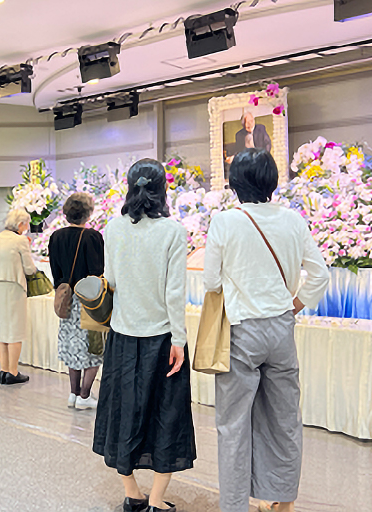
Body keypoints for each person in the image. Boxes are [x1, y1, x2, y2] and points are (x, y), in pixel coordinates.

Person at [203, 149, 329, 512]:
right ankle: (283, 502)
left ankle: (234, 506)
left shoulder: (225, 221)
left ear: (234, 183)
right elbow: (320, 274)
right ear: (272, 181)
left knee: (233, 424)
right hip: (282, 329)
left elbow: (212, 282)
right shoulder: (292, 220)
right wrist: (294, 304)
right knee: (285, 419)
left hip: (241, 331)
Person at [93, 159, 195, 512]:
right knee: (167, 417)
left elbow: (112, 281)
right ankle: (154, 500)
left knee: (123, 413)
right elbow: (174, 293)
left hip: (122, 337)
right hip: (163, 339)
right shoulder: (173, 232)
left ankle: (131, 493)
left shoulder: (114, 228)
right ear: (161, 189)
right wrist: (180, 341)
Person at [48, 193, 104, 410]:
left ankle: (73, 393)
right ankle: (85, 394)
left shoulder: (56, 237)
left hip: (66, 298)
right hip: (88, 300)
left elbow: (55, 270)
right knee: (94, 348)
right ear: (88, 212)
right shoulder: (92, 237)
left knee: (73, 347)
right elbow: (97, 271)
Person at [0, 209, 38, 385]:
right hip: (14, 285)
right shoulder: (20, 240)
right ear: (20, 224)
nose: (27, 227)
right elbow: (29, 269)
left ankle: (3, 370)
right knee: (15, 330)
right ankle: (13, 371)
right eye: (26, 224)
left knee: (2, 329)